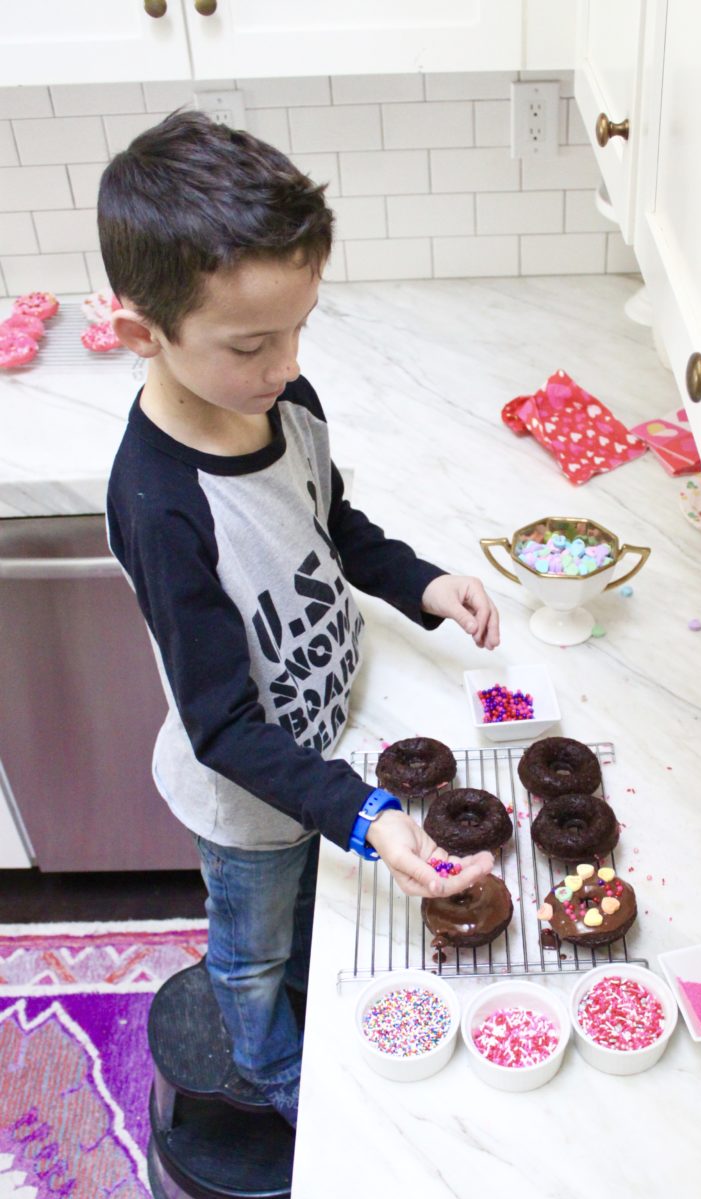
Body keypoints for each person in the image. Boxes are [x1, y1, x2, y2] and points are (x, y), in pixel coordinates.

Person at [99, 110, 499, 1127]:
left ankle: (296, 1006)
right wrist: (362, 816)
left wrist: (420, 583)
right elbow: (225, 728)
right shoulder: (162, 503)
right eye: (249, 344)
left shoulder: (287, 400)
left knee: (312, 913)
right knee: (253, 951)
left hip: (323, 756)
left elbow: (334, 521)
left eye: (299, 327)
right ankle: (272, 1072)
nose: (284, 363)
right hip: (250, 796)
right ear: (142, 331)